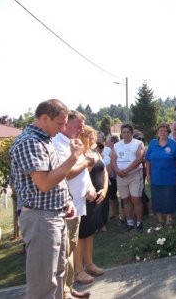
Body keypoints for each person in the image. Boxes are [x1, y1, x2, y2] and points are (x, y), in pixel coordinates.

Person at [9, 99, 84, 299]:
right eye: (59, 123)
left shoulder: (44, 140)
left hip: (54, 216)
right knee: (44, 283)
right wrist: (73, 158)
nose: (62, 129)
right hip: (41, 219)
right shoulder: (30, 142)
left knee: (57, 275)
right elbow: (44, 183)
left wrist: (66, 201)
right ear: (44, 118)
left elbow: (56, 177)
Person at [52, 110, 96, 298]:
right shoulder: (58, 143)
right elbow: (67, 173)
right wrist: (86, 161)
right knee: (64, 253)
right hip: (65, 206)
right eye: (78, 125)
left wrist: (89, 187)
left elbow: (78, 173)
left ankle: (68, 289)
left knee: (69, 249)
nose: (81, 129)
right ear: (66, 123)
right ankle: (63, 291)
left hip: (76, 204)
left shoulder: (73, 143)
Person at [74, 126, 108, 285]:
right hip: (83, 198)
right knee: (80, 234)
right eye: (90, 136)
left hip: (97, 198)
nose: (93, 139)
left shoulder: (95, 152)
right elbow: (80, 176)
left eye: (94, 136)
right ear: (82, 137)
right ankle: (79, 270)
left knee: (90, 232)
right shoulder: (79, 155)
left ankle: (90, 264)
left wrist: (105, 190)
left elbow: (104, 172)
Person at [146, 123, 176, 226]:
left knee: (169, 198)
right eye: (160, 131)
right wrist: (147, 174)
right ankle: (159, 220)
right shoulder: (152, 143)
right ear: (158, 132)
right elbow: (148, 160)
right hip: (155, 177)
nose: (162, 133)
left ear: (168, 133)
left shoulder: (173, 144)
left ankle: (168, 220)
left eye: (165, 131)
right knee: (156, 198)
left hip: (170, 178)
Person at [111, 124, 145, 232]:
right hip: (120, 176)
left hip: (134, 175)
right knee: (125, 200)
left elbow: (139, 159)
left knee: (136, 199)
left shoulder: (138, 143)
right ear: (121, 133)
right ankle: (129, 222)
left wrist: (127, 170)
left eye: (128, 132)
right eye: (123, 132)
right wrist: (117, 171)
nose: (125, 134)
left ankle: (139, 223)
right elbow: (113, 160)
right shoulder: (117, 145)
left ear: (131, 133)